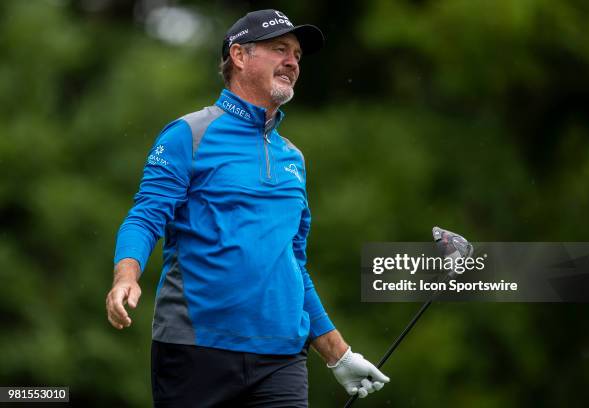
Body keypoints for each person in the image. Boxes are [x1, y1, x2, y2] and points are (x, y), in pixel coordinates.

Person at [105, 9, 390, 407]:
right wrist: (126, 276)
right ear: (239, 56)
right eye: (279, 49)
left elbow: (291, 265)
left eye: (296, 55)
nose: (292, 61)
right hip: (195, 350)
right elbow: (146, 215)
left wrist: (337, 353)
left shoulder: (294, 159)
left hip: (282, 359)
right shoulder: (189, 134)